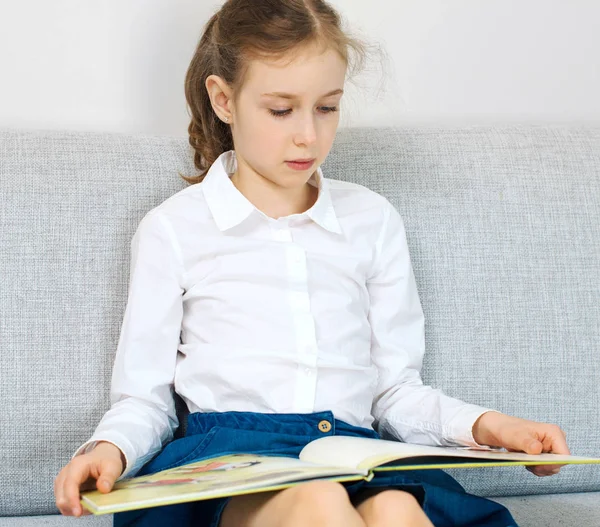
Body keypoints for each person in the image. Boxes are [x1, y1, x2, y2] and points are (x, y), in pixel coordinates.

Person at [54, 1, 571, 526]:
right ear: (223, 99)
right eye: (282, 110)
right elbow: (145, 399)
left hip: (351, 452)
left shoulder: (372, 219)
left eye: (327, 107)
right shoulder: (174, 229)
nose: (309, 135)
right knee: (317, 501)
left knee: (397, 510)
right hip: (232, 460)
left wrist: (487, 425)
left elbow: (395, 391)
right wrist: (107, 449)